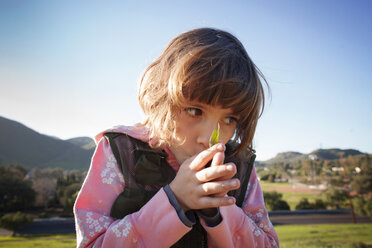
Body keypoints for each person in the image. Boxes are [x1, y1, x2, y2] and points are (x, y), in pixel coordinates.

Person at [74, 27, 279, 248]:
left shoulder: (238, 164)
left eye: (229, 119)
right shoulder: (119, 152)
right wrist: (175, 201)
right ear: (160, 96)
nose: (208, 138)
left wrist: (218, 209)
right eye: (194, 111)